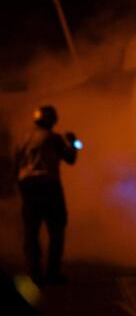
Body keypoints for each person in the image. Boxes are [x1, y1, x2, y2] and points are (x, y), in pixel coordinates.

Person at [13, 106, 78, 284]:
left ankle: (34, 273)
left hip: (27, 187)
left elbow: (15, 163)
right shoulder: (53, 138)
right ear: (52, 120)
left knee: (31, 231)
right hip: (49, 186)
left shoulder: (23, 138)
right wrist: (73, 144)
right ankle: (53, 272)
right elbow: (70, 159)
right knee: (56, 229)